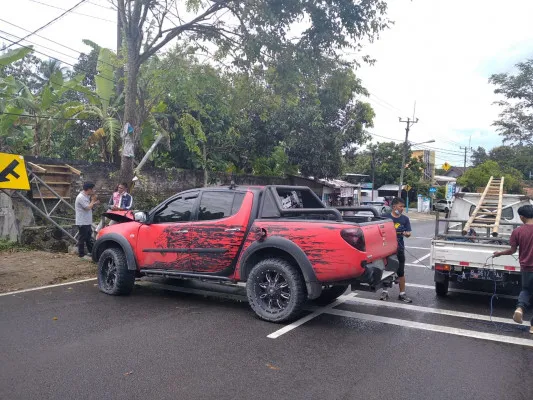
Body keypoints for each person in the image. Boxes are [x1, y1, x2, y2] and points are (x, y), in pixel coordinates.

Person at [493, 204, 533, 334]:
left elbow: (512, 250)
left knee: (526, 290)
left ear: (522, 217)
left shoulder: (518, 231)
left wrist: (499, 253)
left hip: (526, 267)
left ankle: (520, 309)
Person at [382, 197, 413, 303]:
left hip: (399, 249)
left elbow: (409, 233)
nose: (402, 208)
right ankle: (384, 292)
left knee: (401, 272)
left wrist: (406, 233)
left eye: (403, 207)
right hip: (386, 249)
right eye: (400, 206)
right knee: (386, 270)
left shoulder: (405, 219)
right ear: (394, 206)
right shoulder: (385, 218)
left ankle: (402, 294)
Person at [75, 182, 99, 260]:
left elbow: (89, 206)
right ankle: (81, 254)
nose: (93, 191)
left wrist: (94, 203)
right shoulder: (80, 197)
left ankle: (91, 252)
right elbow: (87, 207)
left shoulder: (85, 196)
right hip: (82, 221)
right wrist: (93, 200)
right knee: (82, 238)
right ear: (88, 189)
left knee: (88, 237)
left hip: (87, 221)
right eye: (92, 189)